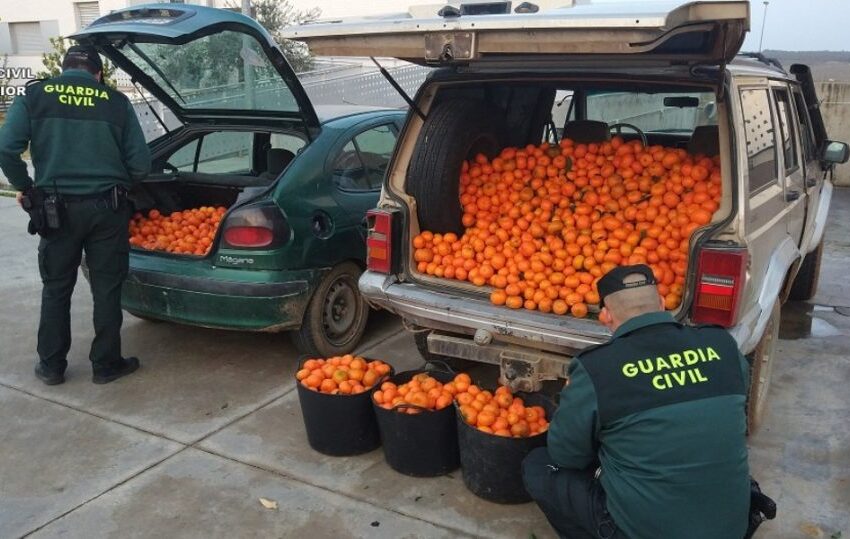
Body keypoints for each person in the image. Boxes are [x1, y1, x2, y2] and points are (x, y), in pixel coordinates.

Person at [522, 264, 750, 539]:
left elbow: (567, 455)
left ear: (605, 316)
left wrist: (575, 401)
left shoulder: (598, 368)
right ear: (663, 303)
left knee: (538, 466)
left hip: (644, 531)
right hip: (733, 529)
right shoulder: (722, 345)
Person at [0, 45, 151, 385]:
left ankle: (52, 366)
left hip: (55, 211)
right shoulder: (115, 102)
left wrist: (27, 187)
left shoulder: (35, 96)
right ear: (97, 74)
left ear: (64, 68)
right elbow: (141, 164)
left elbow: (6, 148)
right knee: (107, 287)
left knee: (56, 288)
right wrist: (118, 184)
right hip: (106, 209)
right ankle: (106, 364)